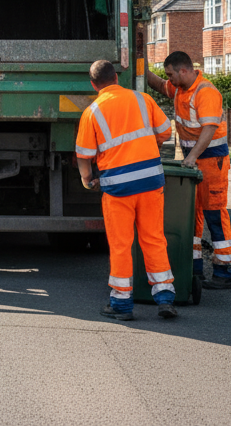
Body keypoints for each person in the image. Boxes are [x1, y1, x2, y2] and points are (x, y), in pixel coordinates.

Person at [77, 59, 177, 321]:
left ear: (93, 85)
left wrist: (87, 178)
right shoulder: (142, 99)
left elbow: (84, 154)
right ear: (117, 78)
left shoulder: (93, 111)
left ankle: (122, 304)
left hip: (118, 187)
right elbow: (165, 132)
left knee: (121, 244)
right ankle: (165, 297)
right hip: (151, 182)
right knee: (154, 238)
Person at [146, 51, 231, 290]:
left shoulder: (205, 92)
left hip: (211, 162)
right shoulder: (181, 89)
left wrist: (192, 156)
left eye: (171, 74)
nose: (169, 80)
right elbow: (156, 84)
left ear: (183, 71)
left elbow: (208, 129)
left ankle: (224, 272)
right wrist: (138, 61)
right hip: (193, 162)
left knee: (214, 214)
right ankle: (193, 270)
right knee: (192, 217)